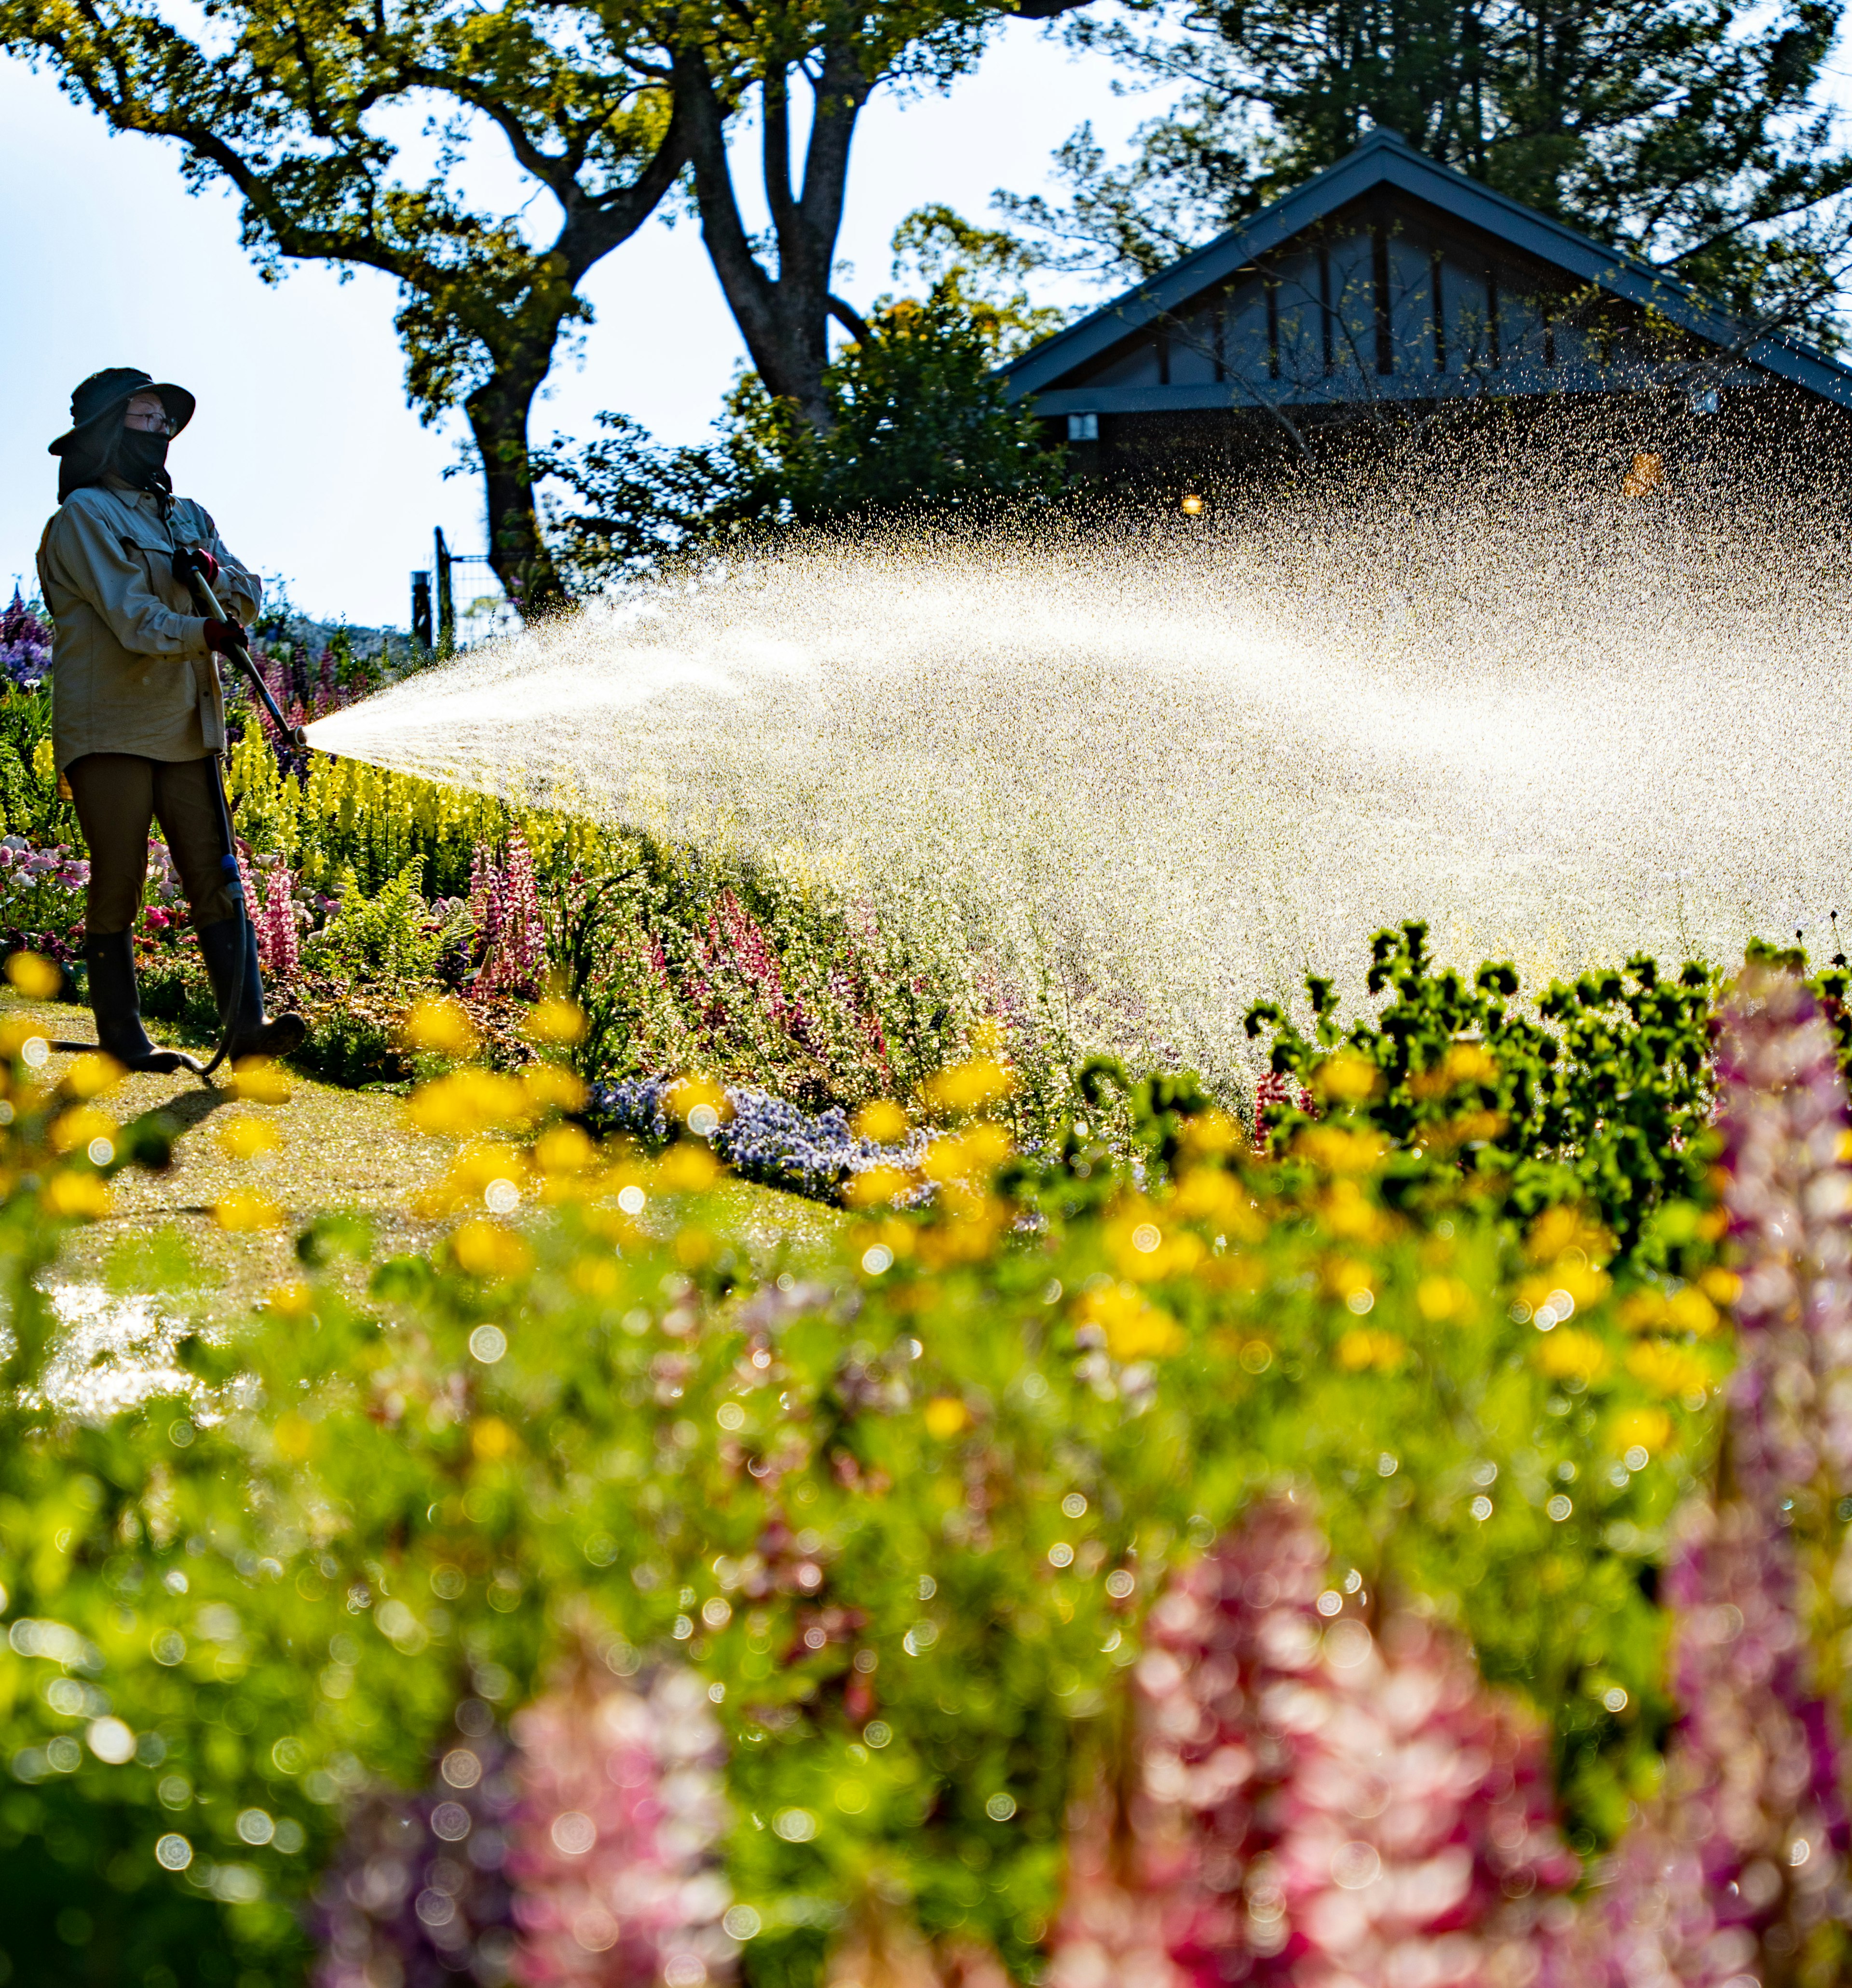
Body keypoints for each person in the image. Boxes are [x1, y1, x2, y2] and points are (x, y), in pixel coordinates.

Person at [35, 366, 305, 1073]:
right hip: (112, 725)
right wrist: (202, 634)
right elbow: (129, 619)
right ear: (105, 434)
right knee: (119, 875)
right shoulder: (82, 519)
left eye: (164, 424)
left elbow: (247, 591)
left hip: (189, 723)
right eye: (143, 421)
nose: (158, 435)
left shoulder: (189, 516)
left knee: (218, 876)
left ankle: (246, 1030)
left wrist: (213, 579)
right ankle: (123, 1039)